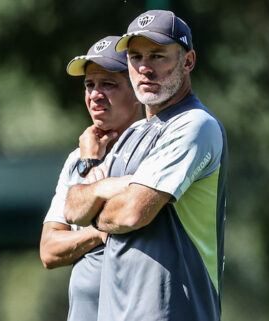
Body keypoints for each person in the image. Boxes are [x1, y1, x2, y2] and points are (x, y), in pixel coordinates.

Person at [64, 10, 228, 321]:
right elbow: (73, 207)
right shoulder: (134, 133)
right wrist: (107, 186)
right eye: (136, 57)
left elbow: (132, 212)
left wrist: (97, 206)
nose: (144, 67)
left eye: (157, 56)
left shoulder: (195, 125)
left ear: (188, 61)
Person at [39, 35, 143, 320]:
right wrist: (99, 232)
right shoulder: (78, 158)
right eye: (89, 85)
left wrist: (91, 166)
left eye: (108, 84)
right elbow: (49, 250)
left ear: (136, 90)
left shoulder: (153, 146)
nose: (95, 94)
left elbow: (127, 214)